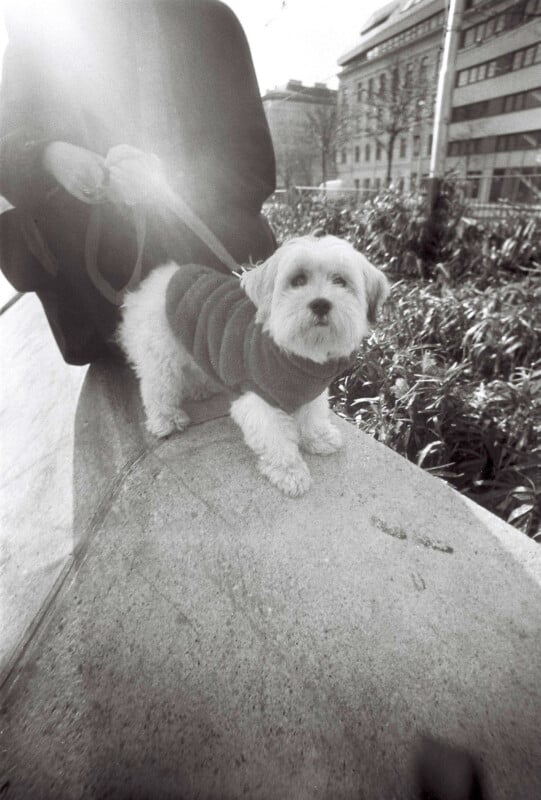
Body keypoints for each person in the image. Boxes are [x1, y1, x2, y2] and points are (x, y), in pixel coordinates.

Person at [0, 0, 277, 364]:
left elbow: (255, 166)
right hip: (100, 312)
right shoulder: (41, 29)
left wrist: (165, 180)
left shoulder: (209, 19)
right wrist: (49, 157)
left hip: (215, 296)